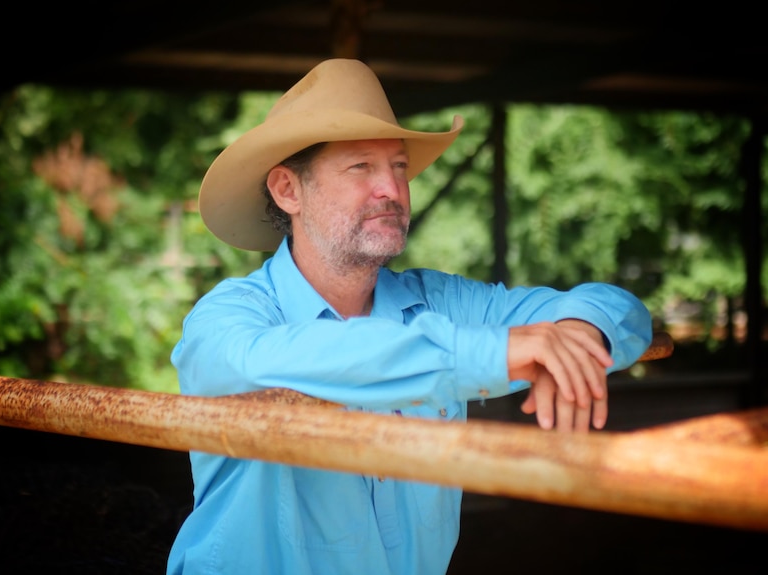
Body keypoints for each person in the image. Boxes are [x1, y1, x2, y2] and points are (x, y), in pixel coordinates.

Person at [167, 58, 652, 575]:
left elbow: (620, 309)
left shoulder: (440, 302)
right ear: (288, 190)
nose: (393, 190)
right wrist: (485, 353)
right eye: (361, 167)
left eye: (398, 167)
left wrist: (573, 334)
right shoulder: (228, 319)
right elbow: (284, 359)